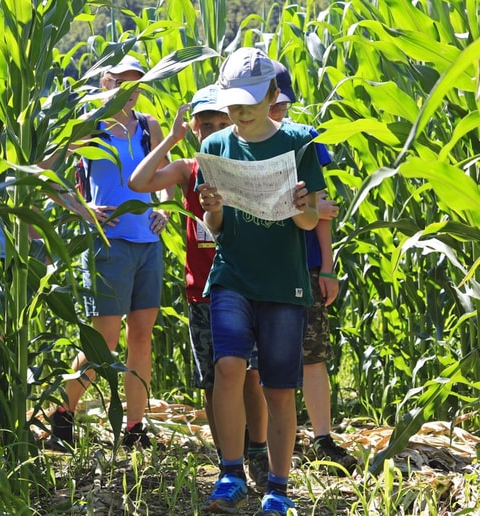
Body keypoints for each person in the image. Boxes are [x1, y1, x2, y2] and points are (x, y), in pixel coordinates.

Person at [196, 47, 324, 515]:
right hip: (232, 274)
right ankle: (230, 474)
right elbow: (215, 229)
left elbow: (312, 221)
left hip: (284, 283)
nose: (241, 110)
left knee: (277, 388)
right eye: (233, 101)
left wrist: (301, 205)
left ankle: (278, 487)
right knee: (228, 368)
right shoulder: (214, 146)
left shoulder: (299, 143)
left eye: (251, 99)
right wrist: (212, 211)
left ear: (273, 93)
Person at [128, 85, 269, 486]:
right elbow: (140, 182)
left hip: (247, 289)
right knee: (212, 380)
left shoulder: (246, 165)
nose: (213, 130)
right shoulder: (188, 169)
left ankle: (257, 450)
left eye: (221, 122)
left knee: (251, 376)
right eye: (205, 124)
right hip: (203, 291)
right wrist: (169, 139)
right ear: (193, 128)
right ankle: (230, 458)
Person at [47, 55, 171, 449]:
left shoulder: (150, 127)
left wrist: (166, 207)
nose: (130, 93)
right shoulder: (89, 127)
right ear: (105, 83)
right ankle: (62, 412)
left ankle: (135, 427)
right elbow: (44, 171)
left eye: (136, 85)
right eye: (122, 84)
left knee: (142, 338)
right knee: (105, 342)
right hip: (108, 244)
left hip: (148, 244)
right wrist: (81, 208)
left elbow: (165, 178)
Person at [269, 60, 356, 474]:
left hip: (303, 266)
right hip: (260, 267)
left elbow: (323, 211)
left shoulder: (304, 141)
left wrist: (327, 266)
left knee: (313, 353)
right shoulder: (237, 142)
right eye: (271, 103)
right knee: (259, 361)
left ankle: (322, 438)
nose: (277, 112)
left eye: (282, 105)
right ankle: (260, 442)